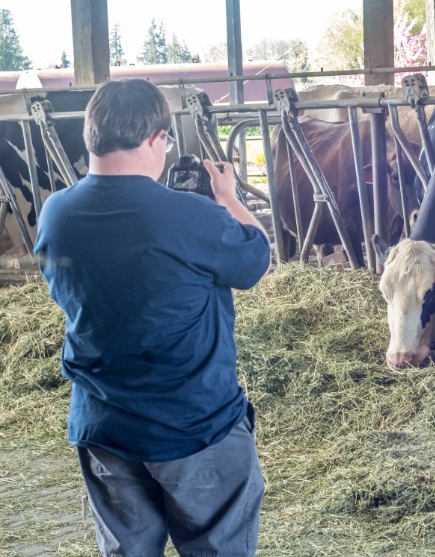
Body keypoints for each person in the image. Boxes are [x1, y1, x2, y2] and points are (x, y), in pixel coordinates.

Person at [34, 79, 271, 555]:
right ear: (156, 138)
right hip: (194, 426)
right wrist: (227, 197)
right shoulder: (190, 215)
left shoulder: (56, 213)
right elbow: (256, 257)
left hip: (104, 427)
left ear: (90, 135)